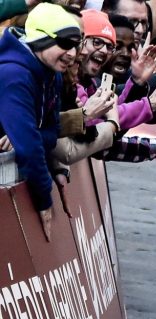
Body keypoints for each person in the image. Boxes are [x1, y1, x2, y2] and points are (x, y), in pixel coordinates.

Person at [0, 3, 83, 240]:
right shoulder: (13, 75)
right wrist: (44, 201)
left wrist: (29, 136)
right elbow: (29, 148)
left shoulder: (51, 72)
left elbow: (50, 132)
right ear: (40, 39)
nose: (72, 54)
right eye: (65, 44)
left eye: (76, 45)